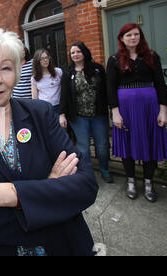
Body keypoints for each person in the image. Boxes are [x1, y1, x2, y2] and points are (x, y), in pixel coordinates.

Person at [0, 27, 98, 256]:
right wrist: (49, 189)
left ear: (16, 73)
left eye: (6, 68)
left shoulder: (41, 114)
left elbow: (85, 185)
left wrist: (11, 194)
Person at [107, 23, 167, 202]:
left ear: (140, 36)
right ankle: (131, 181)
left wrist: (163, 110)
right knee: (128, 144)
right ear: (121, 38)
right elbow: (110, 89)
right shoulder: (114, 59)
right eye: (128, 35)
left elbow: (160, 84)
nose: (133, 38)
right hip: (125, 109)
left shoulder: (151, 56)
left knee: (151, 143)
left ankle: (149, 182)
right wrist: (115, 113)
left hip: (150, 108)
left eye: (136, 34)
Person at [60, 41, 113, 184]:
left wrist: (113, 108)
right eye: (72, 53)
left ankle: (104, 169)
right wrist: (62, 114)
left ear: (84, 52)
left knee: (102, 145)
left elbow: (107, 90)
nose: (75, 55)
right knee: (83, 147)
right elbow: (64, 95)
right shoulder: (68, 73)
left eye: (78, 51)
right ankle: (88, 173)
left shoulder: (97, 69)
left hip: (99, 115)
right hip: (78, 117)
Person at [31, 49, 63, 116]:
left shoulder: (58, 72)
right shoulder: (34, 78)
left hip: (59, 107)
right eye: (42, 58)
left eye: (46, 57)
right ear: (37, 61)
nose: (45, 60)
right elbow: (34, 98)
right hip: (45, 108)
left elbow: (64, 89)